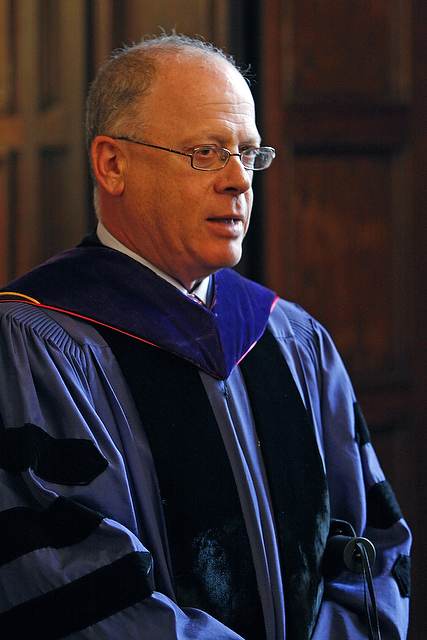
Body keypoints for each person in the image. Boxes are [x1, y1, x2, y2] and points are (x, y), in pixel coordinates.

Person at [0, 34, 410, 640]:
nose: (239, 181)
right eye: (207, 152)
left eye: (248, 153)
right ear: (112, 164)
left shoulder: (292, 339)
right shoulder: (37, 343)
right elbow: (68, 583)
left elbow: (371, 545)